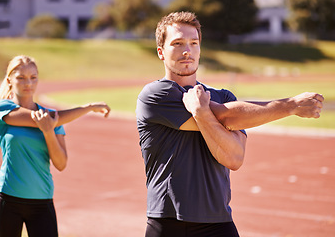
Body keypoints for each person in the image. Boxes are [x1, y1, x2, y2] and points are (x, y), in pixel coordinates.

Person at [136, 12, 324, 237]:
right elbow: (227, 117)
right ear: (161, 52)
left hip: (219, 222)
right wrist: (290, 105)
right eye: (177, 43)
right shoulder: (155, 94)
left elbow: (234, 158)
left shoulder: (223, 96)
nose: (187, 50)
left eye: (193, 43)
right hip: (169, 222)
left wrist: (201, 112)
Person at [0, 55, 110, 237]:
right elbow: (49, 119)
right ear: (9, 80)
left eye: (33, 77)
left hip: (41, 200)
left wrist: (48, 132)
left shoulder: (52, 118)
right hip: (9, 198)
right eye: (21, 77)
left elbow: (61, 164)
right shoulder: (1, 108)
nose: (28, 83)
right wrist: (89, 107)